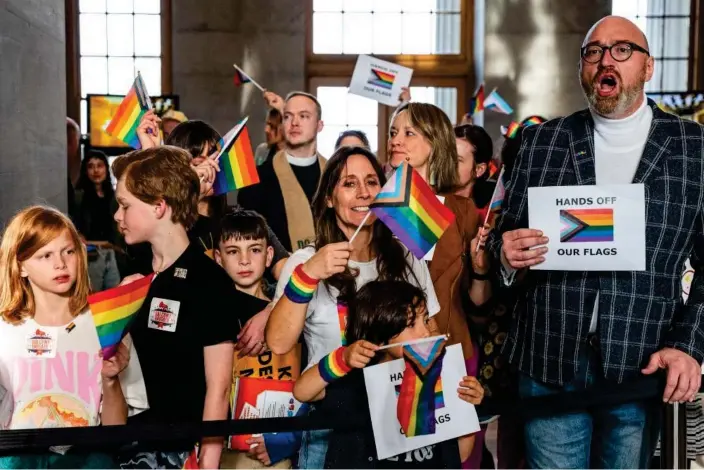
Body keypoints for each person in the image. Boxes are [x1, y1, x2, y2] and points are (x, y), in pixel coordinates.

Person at [490, 16, 704, 468]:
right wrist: (506, 255)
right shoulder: (542, 141)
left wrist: (689, 344)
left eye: (622, 50)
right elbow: (502, 237)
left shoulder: (693, 147)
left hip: (640, 359)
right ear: (582, 67)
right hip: (549, 357)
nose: (606, 60)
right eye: (593, 51)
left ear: (648, 67)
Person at [266, 146, 442, 468]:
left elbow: (430, 332)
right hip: (331, 420)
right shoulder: (305, 263)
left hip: (398, 414)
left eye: (372, 182)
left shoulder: (405, 256)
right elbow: (278, 342)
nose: (363, 193)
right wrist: (308, 276)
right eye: (349, 183)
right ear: (329, 198)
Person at [112, 146, 263, 469]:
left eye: (125, 206)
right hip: (129, 447)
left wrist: (207, 463)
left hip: (179, 453)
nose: (117, 216)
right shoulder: (137, 272)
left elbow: (218, 389)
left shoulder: (208, 280)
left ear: (159, 206)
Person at [0, 206, 148, 468]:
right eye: (45, 255)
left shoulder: (106, 322)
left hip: (89, 461)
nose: (60, 264)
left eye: (68, 251)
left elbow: (116, 430)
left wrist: (110, 380)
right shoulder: (5, 329)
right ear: (20, 266)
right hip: (20, 461)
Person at [293, 280, 485, 469]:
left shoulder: (441, 376)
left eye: (425, 320)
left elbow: (461, 454)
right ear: (381, 333)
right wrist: (341, 359)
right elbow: (302, 392)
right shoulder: (359, 383)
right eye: (411, 324)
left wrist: (467, 408)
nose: (426, 332)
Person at [213, 209, 300, 469]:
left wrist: (274, 307)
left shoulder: (291, 307)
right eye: (232, 251)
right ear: (218, 258)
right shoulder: (210, 310)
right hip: (228, 443)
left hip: (282, 438)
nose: (244, 260)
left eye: (254, 250)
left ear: (270, 254)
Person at [238, 91, 326, 252]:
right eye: (287, 116)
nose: (294, 123)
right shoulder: (256, 180)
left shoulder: (335, 175)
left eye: (304, 116)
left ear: (319, 125)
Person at [73, 151, 122, 291]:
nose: (96, 170)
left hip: (113, 253)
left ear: (106, 168)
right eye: (90, 166)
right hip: (92, 255)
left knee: (115, 299)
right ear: (85, 171)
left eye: (100, 165)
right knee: (95, 299)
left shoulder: (114, 196)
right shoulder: (79, 196)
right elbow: (75, 229)